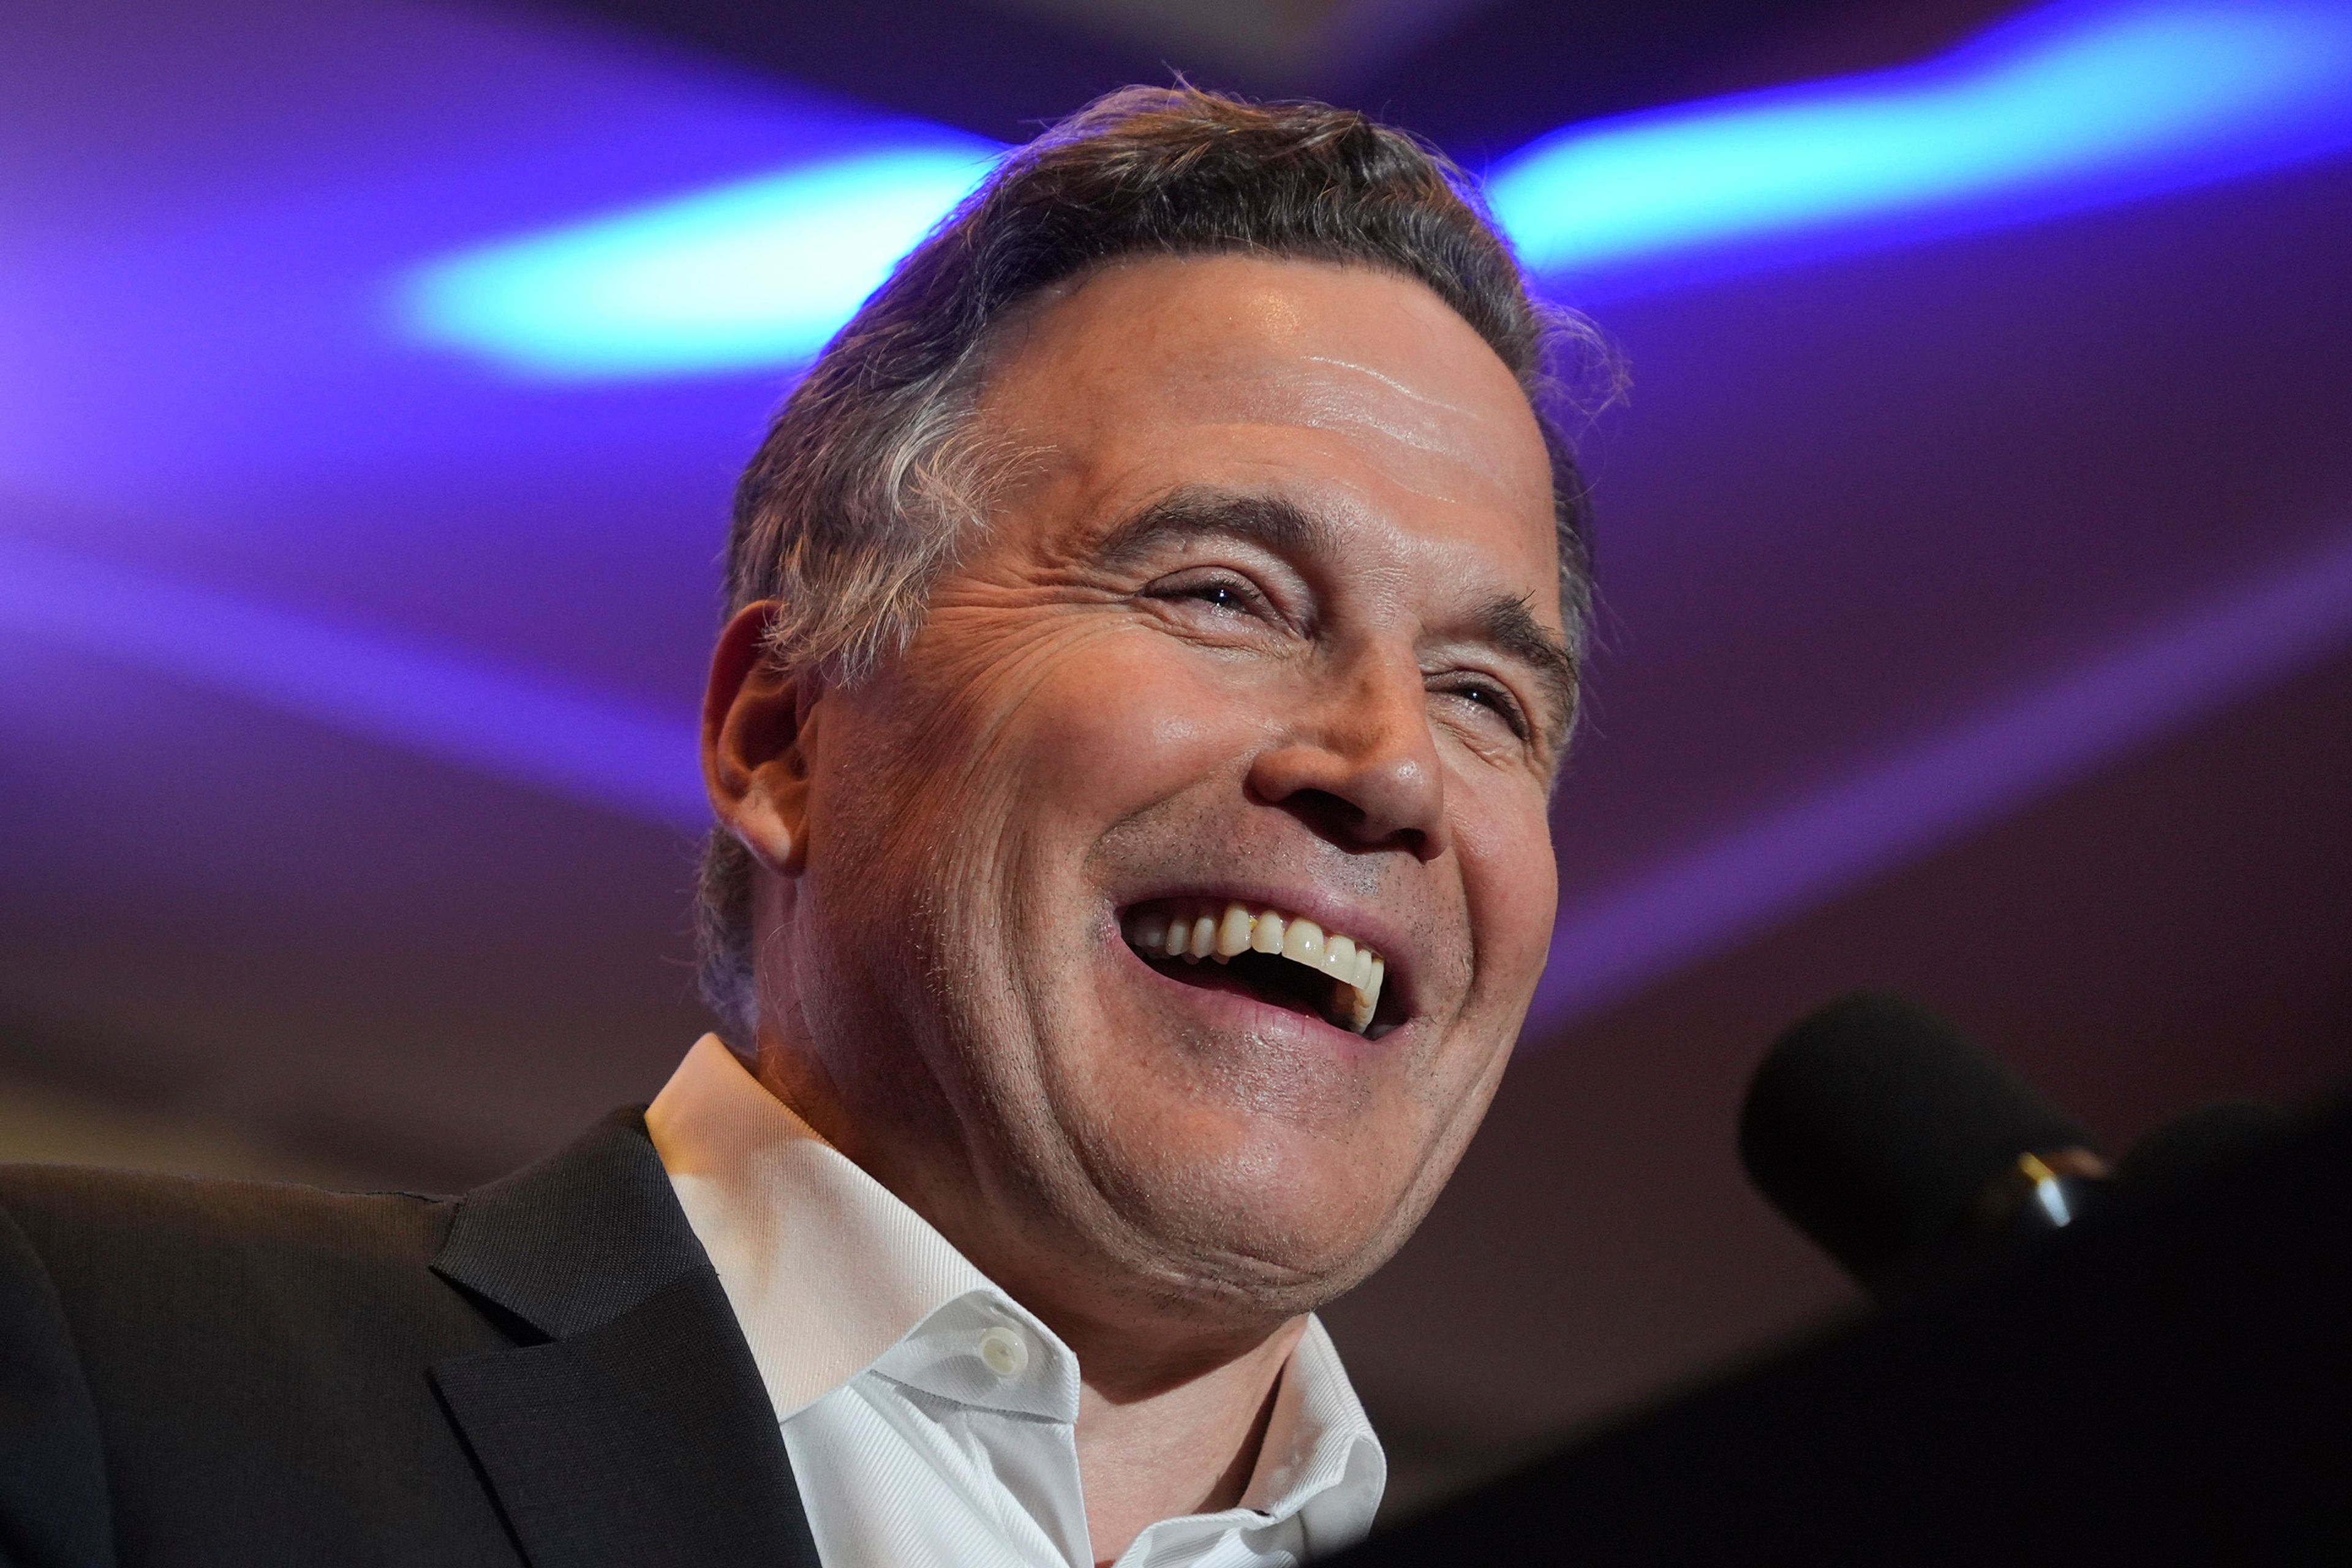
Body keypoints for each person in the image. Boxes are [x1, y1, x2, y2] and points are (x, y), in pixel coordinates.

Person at [0, 85, 1602, 1568]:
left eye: (1486, 697)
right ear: (780, 733)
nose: (1388, 766)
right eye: (1221, 594)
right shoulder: (109, 1361)